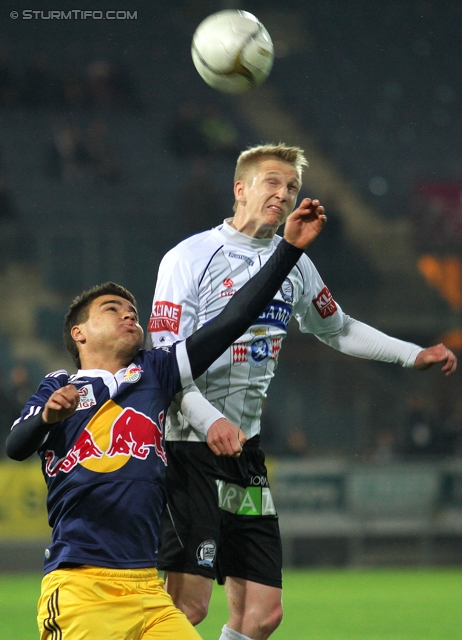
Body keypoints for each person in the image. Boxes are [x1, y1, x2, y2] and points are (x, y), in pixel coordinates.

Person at [147, 142, 457, 640]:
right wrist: (210, 422)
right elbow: (165, 363)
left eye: (292, 186)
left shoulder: (294, 263)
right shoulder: (189, 257)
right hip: (188, 448)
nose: (284, 193)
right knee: (188, 607)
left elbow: (338, 327)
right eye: (272, 182)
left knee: (262, 614)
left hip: (244, 451)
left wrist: (410, 353)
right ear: (239, 189)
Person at [4, 201, 325, 640]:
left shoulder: (156, 372)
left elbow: (234, 319)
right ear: (79, 333)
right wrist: (45, 417)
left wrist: (286, 251)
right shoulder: (59, 386)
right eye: (112, 308)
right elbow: (16, 446)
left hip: (147, 592)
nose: (128, 313)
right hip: (81, 585)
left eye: (132, 308)